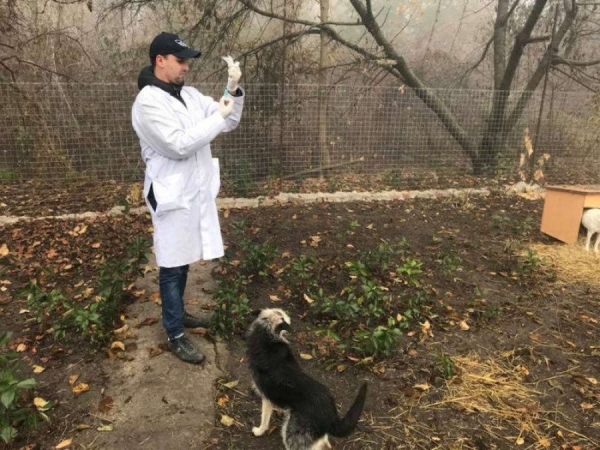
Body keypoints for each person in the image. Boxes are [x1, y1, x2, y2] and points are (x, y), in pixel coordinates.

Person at [131, 32, 244, 364]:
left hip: (192, 190)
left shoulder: (190, 96)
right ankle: (174, 332)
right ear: (160, 61)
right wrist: (218, 116)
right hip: (169, 192)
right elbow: (178, 144)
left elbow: (230, 120)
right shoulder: (148, 102)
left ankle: (178, 314)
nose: (186, 68)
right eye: (181, 61)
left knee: (185, 259)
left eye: (188, 62)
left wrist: (232, 90)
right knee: (171, 263)